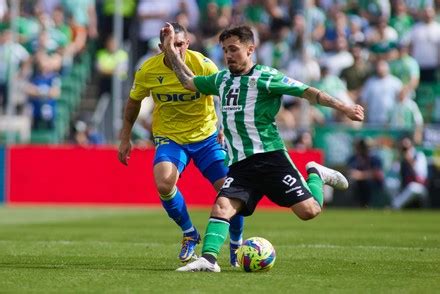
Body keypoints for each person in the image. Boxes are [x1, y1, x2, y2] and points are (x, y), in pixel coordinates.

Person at [160, 23, 364, 272]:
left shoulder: (266, 76)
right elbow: (188, 81)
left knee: (309, 211)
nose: (228, 55)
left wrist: (344, 108)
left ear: (250, 49)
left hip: (270, 159)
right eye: (225, 50)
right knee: (222, 206)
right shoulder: (221, 79)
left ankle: (315, 174)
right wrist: (170, 48)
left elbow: (307, 92)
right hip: (240, 165)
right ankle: (209, 260)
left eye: (234, 49)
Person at [117, 23, 245, 266]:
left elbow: (225, 94)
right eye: (171, 45)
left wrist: (224, 127)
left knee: (230, 190)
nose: (176, 49)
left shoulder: (203, 64)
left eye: (180, 44)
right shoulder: (148, 70)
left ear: (187, 43)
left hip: (206, 137)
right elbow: (133, 103)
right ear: (161, 47)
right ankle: (189, 233)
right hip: (171, 137)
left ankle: (236, 243)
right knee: (164, 183)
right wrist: (125, 136)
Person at [391, 136, 429, 209]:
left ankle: (395, 206)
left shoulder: (419, 156)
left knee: (412, 187)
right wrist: (398, 158)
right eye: (403, 148)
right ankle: (397, 204)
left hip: (420, 187)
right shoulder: (401, 157)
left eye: (407, 147)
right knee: (390, 183)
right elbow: (394, 171)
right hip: (404, 185)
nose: (405, 150)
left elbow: (421, 176)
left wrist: (410, 161)